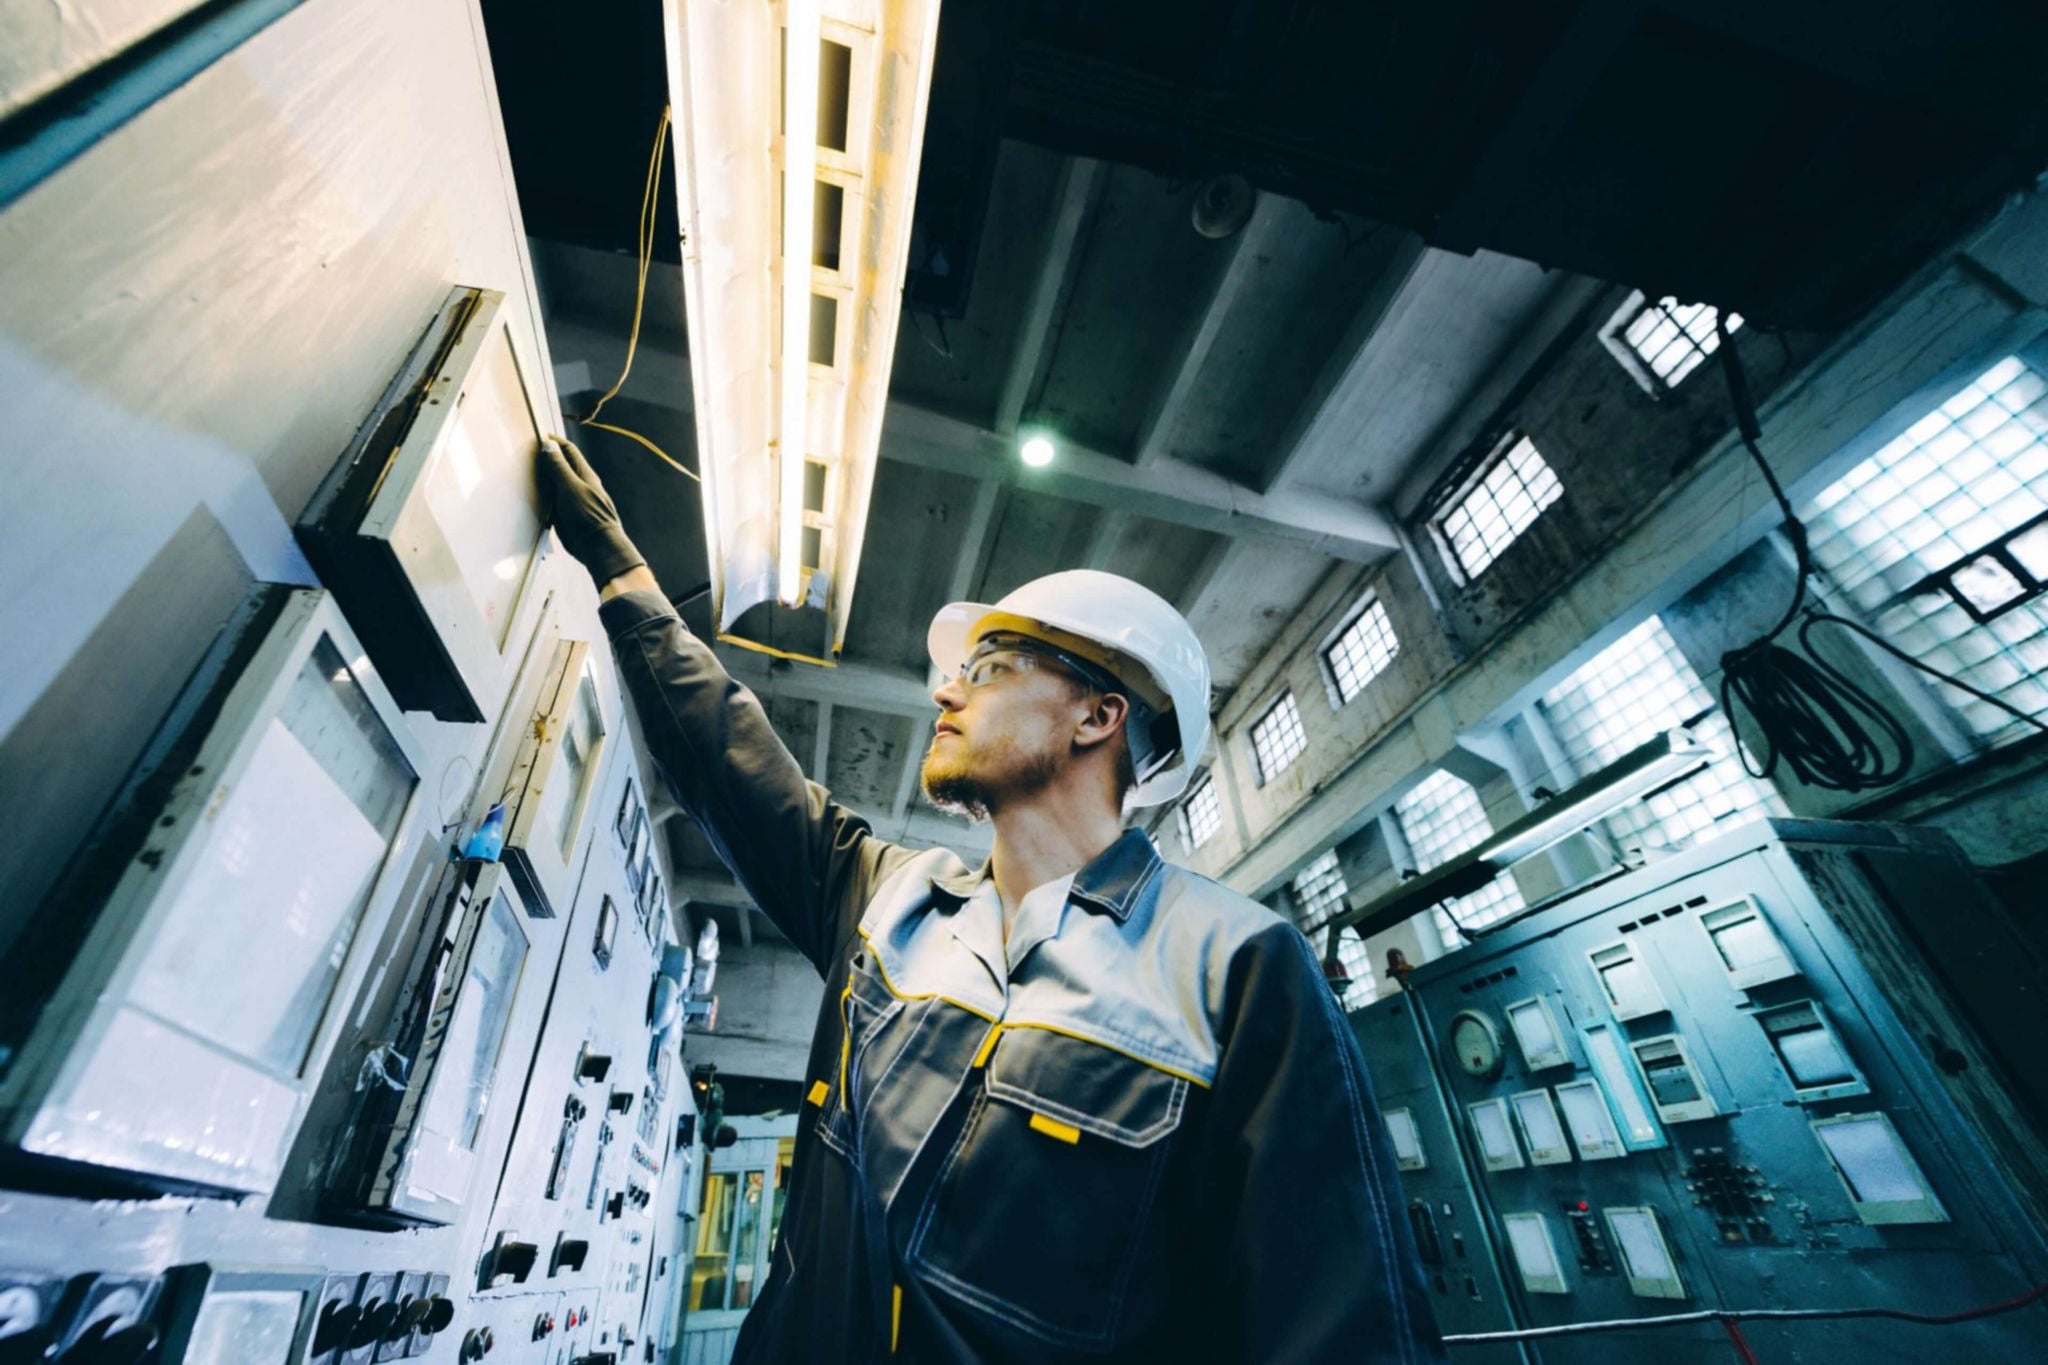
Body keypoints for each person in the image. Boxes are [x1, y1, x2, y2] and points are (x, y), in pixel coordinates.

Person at [541, 438, 1445, 1364]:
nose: (945, 689)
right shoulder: (891, 899)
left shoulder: (1239, 973)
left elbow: (1347, 1331)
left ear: (1099, 715)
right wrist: (622, 575)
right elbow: (731, 760)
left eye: (990, 667)